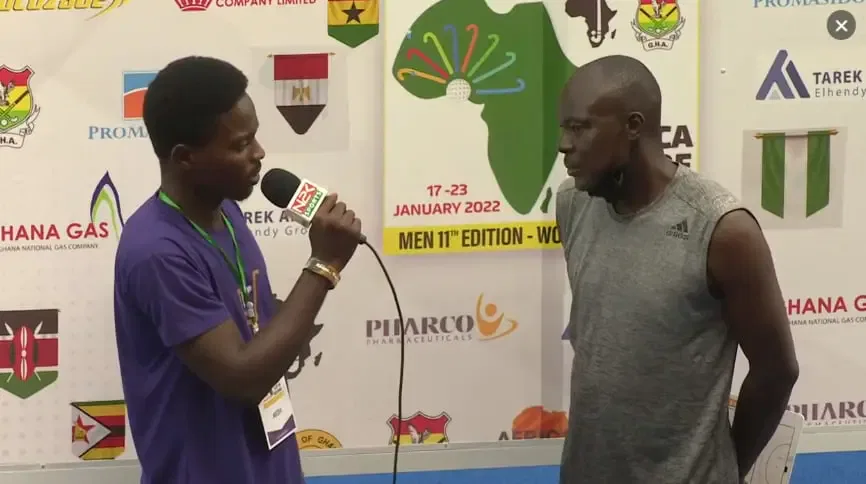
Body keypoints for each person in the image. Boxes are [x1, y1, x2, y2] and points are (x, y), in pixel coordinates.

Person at [113, 56, 362, 484]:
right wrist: (323, 265)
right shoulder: (157, 251)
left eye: (255, 137)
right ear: (185, 157)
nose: (259, 153)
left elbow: (258, 335)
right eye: (240, 145)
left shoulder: (227, 211)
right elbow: (242, 378)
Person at [555, 55, 799, 483]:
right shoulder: (573, 203)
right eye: (564, 128)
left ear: (633, 126)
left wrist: (725, 470)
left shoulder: (724, 231)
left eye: (579, 128)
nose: (564, 144)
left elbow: (776, 371)